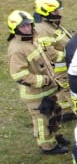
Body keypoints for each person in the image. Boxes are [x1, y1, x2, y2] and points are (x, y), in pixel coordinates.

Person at [7, 10, 68, 154]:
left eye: (28, 25)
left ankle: (56, 137)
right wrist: (44, 80)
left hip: (49, 88)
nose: (27, 28)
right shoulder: (17, 49)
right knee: (42, 120)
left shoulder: (32, 39)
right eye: (23, 27)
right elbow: (19, 75)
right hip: (36, 93)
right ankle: (48, 146)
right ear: (15, 28)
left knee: (55, 114)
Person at [33, 0, 74, 118]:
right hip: (59, 69)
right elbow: (50, 54)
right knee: (70, 92)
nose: (59, 12)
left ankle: (66, 112)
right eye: (56, 10)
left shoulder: (51, 23)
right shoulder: (43, 30)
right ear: (47, 11)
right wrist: (70, 56)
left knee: (62, 91)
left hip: (62, 68)